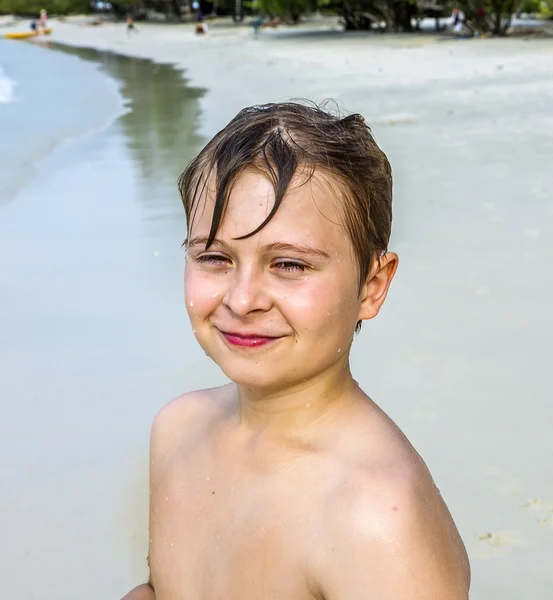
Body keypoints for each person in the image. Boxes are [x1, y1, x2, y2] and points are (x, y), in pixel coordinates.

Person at [121, 102, 471, 600]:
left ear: (372, 285)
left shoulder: (375, 516)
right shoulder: (177, 430)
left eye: (288, 265)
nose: (242, 300)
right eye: (215, 257)